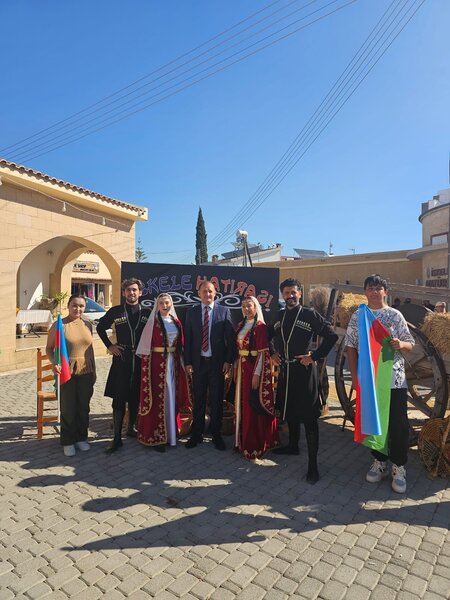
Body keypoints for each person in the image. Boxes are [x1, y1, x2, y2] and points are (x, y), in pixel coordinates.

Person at [345, 274, 415, 493]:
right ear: (365, 292)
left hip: (394, 380)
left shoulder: (395, 315)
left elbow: (410, 343)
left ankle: (399, 466)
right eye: (370, 288)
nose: (375, 291)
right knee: (374, 422)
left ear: (386, 291)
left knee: (398, 424)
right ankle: (379, 461)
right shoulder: (358, 316)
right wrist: (356, 378)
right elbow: (350, 347)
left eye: (379, 288)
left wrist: (400, 343)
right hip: (369, 380)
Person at [270, 278, 338, 484]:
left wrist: (314, 357)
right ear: (282, 295)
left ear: (300, 293)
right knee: (289, 411)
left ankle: (313, 465)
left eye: (293, 292)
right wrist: (273, 352)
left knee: (309, 418)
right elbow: (267, 335)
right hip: (286, 371)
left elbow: (332, 336)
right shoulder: (280, 315)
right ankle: (292, 446)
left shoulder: (309, 314)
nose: (290, 296)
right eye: (286, 293)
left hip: (304, 371)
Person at [97, 278, 151, 453]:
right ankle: (117, 438)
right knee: (119, 398)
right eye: (128, 290)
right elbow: (100, 327)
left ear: (140, 292)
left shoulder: (148, 312)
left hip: (140, 359)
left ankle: (131, 428)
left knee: (135, 395)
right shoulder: (116, 311)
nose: (131, 293)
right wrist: (110, 346)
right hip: (122, 358)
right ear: (123, 293)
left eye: (135, 290)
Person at [184, 280, 235, 450]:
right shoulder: (191, 313)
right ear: (199, 293)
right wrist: (188, 362)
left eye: (210, 291)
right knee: (198, 400)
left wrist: (228, 361)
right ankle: (196, 434)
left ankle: (216, 435)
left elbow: (231, 340)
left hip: (217, 364)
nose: (207, 294)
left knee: (216, 401)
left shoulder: (224, 311)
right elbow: (188, 340)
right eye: (204, 291)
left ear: (215, 294)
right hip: (198, 364)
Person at [136, 293, 191, 451]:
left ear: (171, 304)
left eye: (167, 302)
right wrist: (147, 370)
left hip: (172, 364)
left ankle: (171, 434)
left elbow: (181, 346)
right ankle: (156, 437)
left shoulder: (176, 322)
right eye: (161, 303)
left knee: (171, 396)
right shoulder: (152, 323)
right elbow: (145, 350)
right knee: (158, 398)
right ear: (157, 305)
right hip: (157, 365)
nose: (164, 305)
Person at [46, 295, 96, 457]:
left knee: (83, 407)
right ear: (68, 306)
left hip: (86, 371)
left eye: (81, 306)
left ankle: (81, 438)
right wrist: (54, 363)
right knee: (68, 408)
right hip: (67, 372)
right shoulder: (59, 325)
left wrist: (94, 370)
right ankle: (67, 441)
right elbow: (49, 348)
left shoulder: (88, 324)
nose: (78, 309)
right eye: (75, 305)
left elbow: (90, 349)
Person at [234, 297, 278, 460]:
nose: (246, 308)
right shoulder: (240, 326)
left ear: (255, 307)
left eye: (249, 305)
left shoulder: (260, 327)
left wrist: (257, 375)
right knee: (242, 404)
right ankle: (241, 441)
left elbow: (263, 353)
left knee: (252, 406)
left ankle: (254, 443)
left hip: (252, 369)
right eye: (243, 306)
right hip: (241, 368)